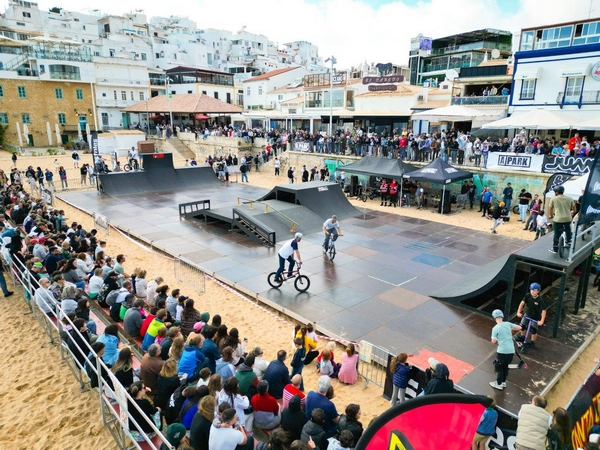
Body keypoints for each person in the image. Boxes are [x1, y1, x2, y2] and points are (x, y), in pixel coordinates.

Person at [489, 309, 521, 390]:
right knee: (506, 366)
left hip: (502, 351)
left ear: (494, 317)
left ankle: (499, 384)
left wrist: (497, 339)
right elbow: (519, 327)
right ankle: (503, 382)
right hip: (511, 350)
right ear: (502, 316)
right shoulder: (508, 324)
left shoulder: (495, 328)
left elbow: (493, 341)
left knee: (499, 367)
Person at [515, 283, 547, 348]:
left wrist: (541, 321)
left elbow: (544, 311)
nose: (532, 292)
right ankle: (522, 337)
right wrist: (518, 312)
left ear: (538, 291)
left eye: (534, 290)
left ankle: (532, 343)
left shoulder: (540, 300)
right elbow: (522, 303)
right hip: (527, 314)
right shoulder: (528, 296)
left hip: (535, 317)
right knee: (522, 326)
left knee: (533, 330)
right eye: (531, 290)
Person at [548, 185, 575, 254]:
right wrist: (571, 212)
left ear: (556, 192)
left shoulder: (553, 199)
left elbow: (550, 209)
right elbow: (574, 209)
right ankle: (569, 240)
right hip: (568, 218)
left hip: (558, 219)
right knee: (568, 229)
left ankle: (555, 248)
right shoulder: (569, 198)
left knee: (556, 234)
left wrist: (551, 216)